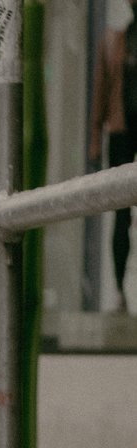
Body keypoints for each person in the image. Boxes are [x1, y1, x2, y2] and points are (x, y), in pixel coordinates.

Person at [95, 16, 136, 308]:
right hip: (122, 132)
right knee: (121, 215)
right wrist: (95, 137)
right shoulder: (114, 40)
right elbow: (101, 89)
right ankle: (120, 289)